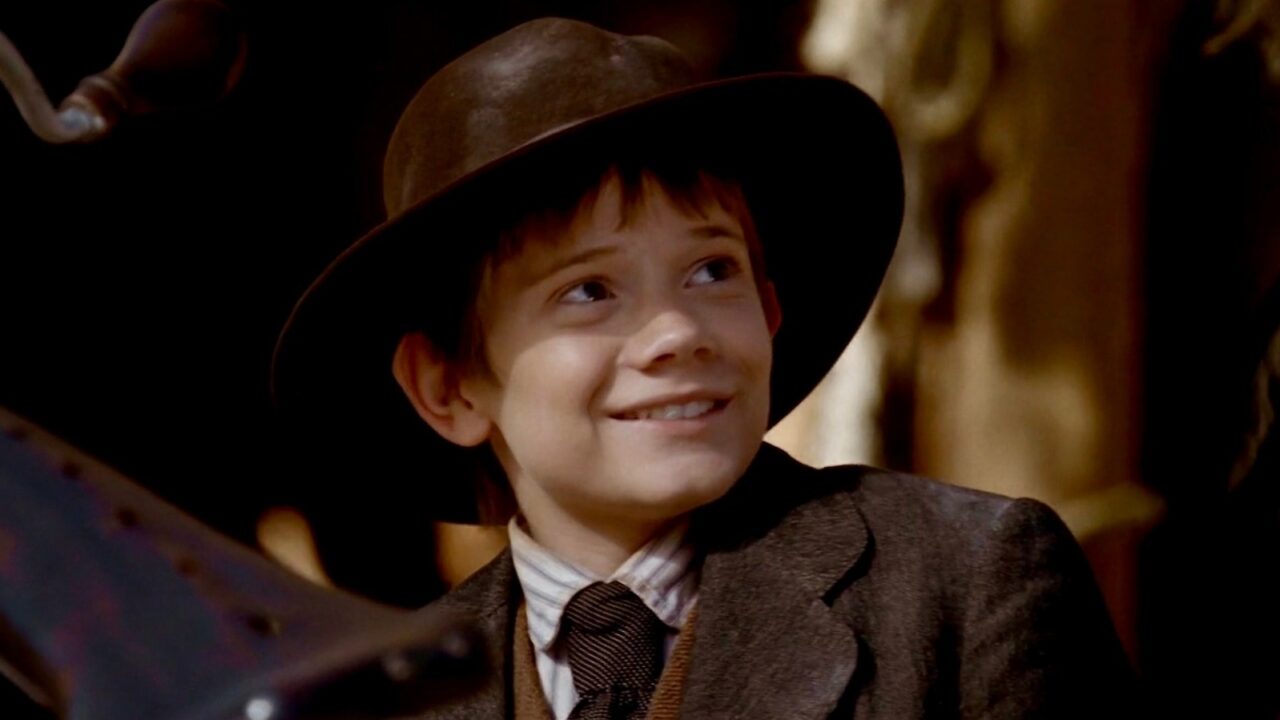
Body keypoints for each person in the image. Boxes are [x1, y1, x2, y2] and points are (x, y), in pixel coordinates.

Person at [271, 17, 1134, 719]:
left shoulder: (968, 584)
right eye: (590, 291)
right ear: (448, 388)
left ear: (770, 309)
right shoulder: (392, 698)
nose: (678, 332)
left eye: (712, 270)